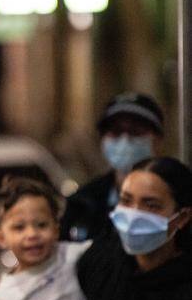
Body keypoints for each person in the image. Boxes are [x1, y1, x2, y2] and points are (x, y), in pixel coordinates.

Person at [77, 157, 192, 300]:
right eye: (126, 200)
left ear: (182, 217)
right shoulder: (101, 262)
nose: (134, 215)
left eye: (151, 205)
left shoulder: (185, 291)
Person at [0, 176, 91, 300]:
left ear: (56, 230)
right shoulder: (3, 297)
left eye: (41, 225)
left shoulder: (73, 255)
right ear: (1, 238)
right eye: (19, 227)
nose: (32, 234)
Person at [60, 92, 164, 241]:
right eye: (115, 132)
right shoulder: (81, 204)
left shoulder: (179, 198)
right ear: (102, 140)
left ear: (157, 140)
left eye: (136, 131)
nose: (125, 140)